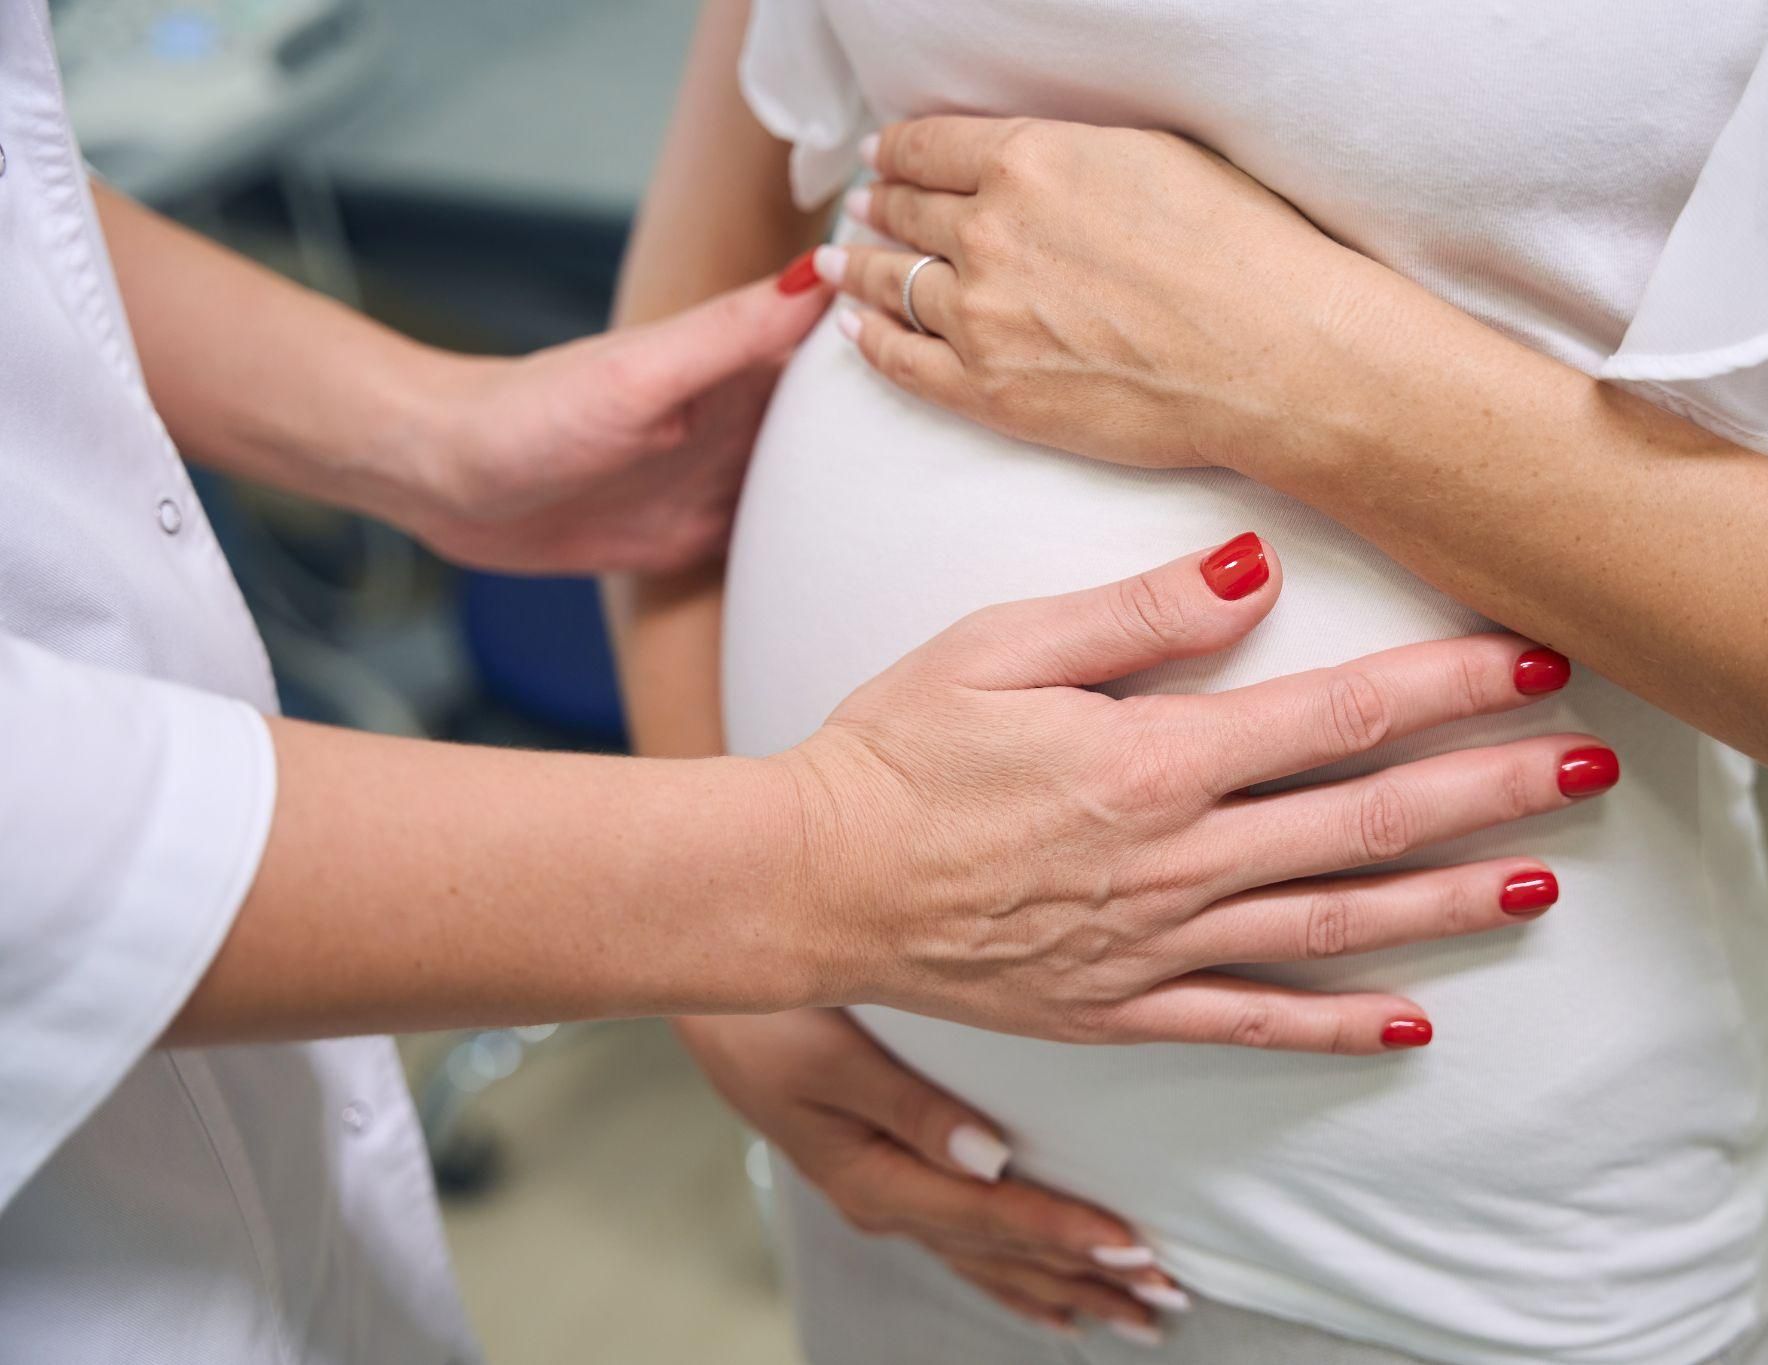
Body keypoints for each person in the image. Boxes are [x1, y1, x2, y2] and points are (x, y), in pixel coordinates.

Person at [0, 1, 1616, 1360]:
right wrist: (787, 900)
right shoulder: (799, 918)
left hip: (1441, 1190)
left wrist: (418, 432)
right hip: (879, 1087)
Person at [608, 2, 1768, 1361]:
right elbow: (686, 339)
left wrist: (1306, 377)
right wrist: (727, 956)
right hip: (896, 1154)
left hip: (1444, 1272)